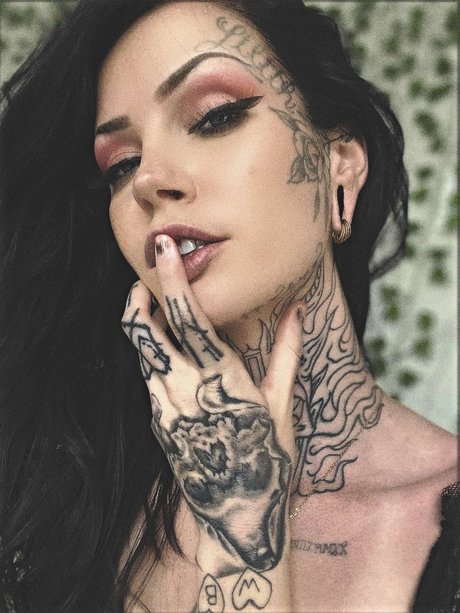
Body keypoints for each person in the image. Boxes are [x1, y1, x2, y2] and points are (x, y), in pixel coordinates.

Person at [0, 0, 458, 611]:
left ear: (339, 169)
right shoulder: (56, 496)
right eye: (122, 164)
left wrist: (245, 540)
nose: (148, 180)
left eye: (214, 116)